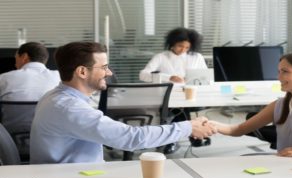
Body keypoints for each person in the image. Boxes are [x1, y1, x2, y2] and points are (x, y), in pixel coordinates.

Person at [29, 41, 216, 164]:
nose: (109, 73)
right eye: (103, 67)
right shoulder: (69, 107)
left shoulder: (55, 96)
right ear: (82, 72)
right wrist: (188, 127)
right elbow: (131, 138)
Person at [209, 51, 292, 157]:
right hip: (284, 168)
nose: (278, 77)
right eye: (279, 71)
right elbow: (238, 129)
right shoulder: (279, 105)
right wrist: (211, 124)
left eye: (285, 71)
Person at [0, 42, 60, 160]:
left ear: (25, 57)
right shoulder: (61, 78)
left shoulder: (3, 79)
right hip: (52, 148)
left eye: (16, 58)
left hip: (9, 148)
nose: (15, 63)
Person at [139, 27, 207, 83]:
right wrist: (169, 78)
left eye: (187, 47)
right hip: (167, 93)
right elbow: (143, 75)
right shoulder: (161, 57)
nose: (183, 50)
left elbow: (206, 77)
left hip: (191, 92)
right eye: (180, 46)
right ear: (172, 43)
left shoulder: (197, 57)